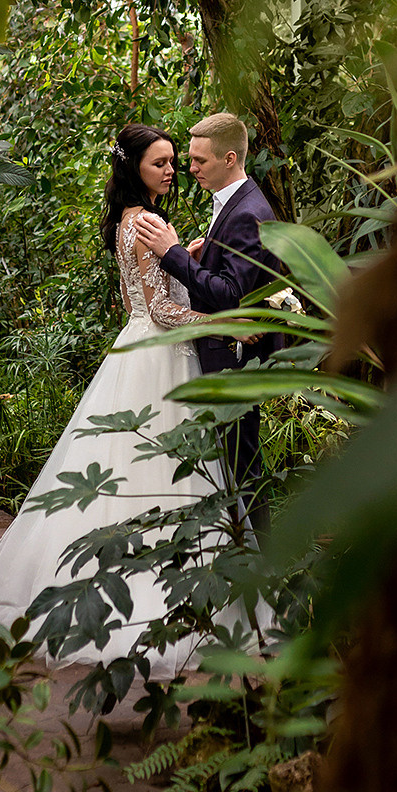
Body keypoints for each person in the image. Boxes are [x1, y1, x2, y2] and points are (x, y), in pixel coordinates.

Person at [0, 121, 256, 677]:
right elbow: (165, 312)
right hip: (162, 353)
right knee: (162, 472)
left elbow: (145, 295)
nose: (172, 170)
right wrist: (229, 323)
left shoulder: (131, 222)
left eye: (175, 161)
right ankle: (157, 601)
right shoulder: (146, 221)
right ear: (134, 169)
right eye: (160, 163)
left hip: (139, 348)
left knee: (129, 472)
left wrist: (185, 257)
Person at [135, 112, 279, 527]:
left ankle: (264, 570)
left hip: (233, 359)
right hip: (220, 354)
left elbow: (231, 295)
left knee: (243, 469)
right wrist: (197, 257)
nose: (190, 168)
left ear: (230, 158)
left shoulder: (248, 212)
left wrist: (173, 254)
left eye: (199, 160)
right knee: (232, 467)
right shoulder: (233, 204)